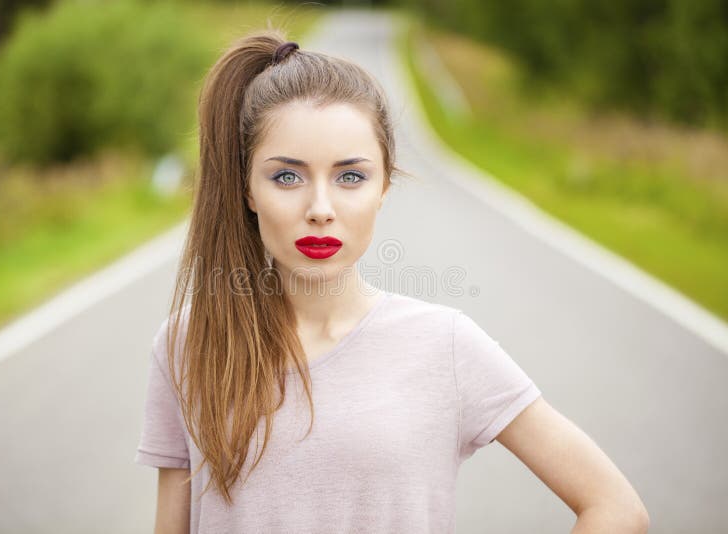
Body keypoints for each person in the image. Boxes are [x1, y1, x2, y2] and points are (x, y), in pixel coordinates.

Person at [134, 28, 649, 534]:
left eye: (350, 177)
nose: (320, 209)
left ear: (384, 186)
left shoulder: (445, 344)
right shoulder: (186, 346)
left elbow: (615, 507)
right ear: (247, 188)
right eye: (287, 176)